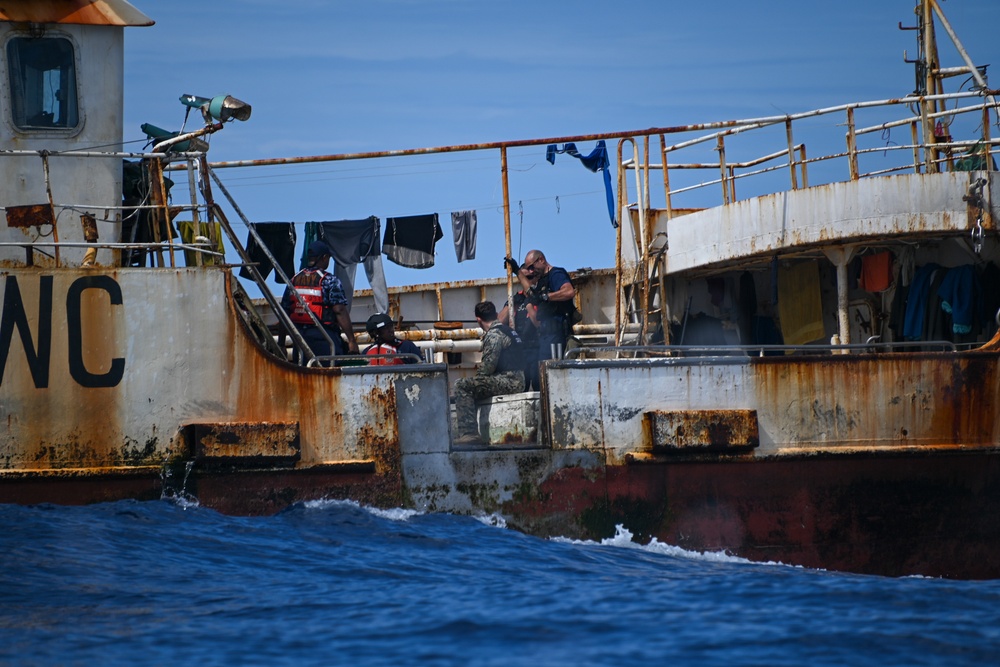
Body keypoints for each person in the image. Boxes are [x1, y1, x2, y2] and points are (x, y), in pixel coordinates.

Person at [453, 301, 525, 444]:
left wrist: (476, 384)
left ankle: (469, 433)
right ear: (496, 315)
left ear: (478, 320)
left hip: (509, 381)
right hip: (517, 379)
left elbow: (487, 368)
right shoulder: (508, 330)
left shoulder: (494, 335)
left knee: (462, 385)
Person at [281, 240, 359, 365]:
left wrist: (281, 344)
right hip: (324, 339)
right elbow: (339, 310)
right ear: (324, 258)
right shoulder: (329, 280)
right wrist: (351, 341)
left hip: (300, 340)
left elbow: (284, 313)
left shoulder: (294, 280)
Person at [520, 250, 577, 361]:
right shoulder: (542, 280)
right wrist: (517, 271)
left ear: (541, 260)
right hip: (546, 336)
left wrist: (546, 297)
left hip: (556, 336)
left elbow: (569, 292)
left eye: (532, 267)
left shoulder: (556, 274)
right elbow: (532, 293)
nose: (531, 271)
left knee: (553, 372)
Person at [499, 261, 540, 390]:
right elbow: (500, 321)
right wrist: (513, 303)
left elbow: (539, 322)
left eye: (531, 276)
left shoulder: (541, 296)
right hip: (520, 350)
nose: (529, 275)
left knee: (540, 386)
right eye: (525, 276)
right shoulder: (516, 298)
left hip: (538, 348)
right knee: (522, 387)